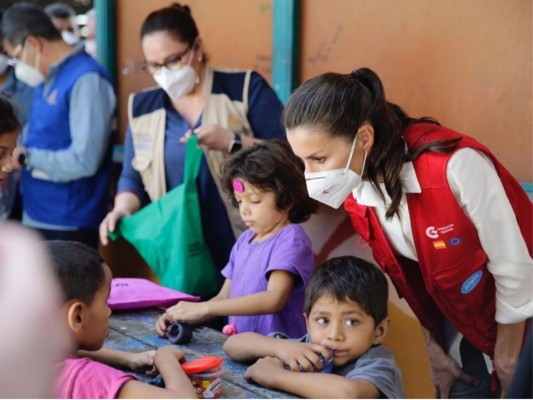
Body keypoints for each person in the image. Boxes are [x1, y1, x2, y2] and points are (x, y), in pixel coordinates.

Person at [283, 67, 533, 398]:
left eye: (319, 158)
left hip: (520, 325)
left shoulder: (455, 167)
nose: (309, 175)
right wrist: (434, 347)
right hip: (469, 330)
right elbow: (412, 279)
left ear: (364, 138)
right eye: (303, 162)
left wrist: (508, 357)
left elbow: (515, 268)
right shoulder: (359, 193)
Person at [99, 3, 285, 273]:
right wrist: (121, 210)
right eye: (153, 65)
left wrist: (234, 142)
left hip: (246, 241)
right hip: (180, 255)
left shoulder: (243, 89)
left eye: (173, 60)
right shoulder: (141, 107)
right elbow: (133, 177)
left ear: (197, 47)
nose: (164, 72)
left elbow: (288, 155)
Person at [156, 140, 317, 338]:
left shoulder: (290, 239)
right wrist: (182, 316)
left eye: (255, 200)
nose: (244, 210)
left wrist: (204, 309)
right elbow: (224, 297)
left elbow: (274, 299)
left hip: (279, 355)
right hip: (242, 353)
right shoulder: (245, 240)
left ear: (287, 198)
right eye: (239, 201)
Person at [1, 4, 116, 248]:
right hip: (37, 210)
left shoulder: (86, 79)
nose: (17, 66)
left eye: (16, 57)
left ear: (33, 44)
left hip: (68, 219)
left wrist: (27, 157)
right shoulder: (46, 77)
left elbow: (85, 159)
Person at [224, 256, 405, 398]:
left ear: (379, 331)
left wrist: (274, 376)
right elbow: (232, 345)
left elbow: (348, 394)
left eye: (351, 322)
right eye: (323, 320)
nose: (334, 335)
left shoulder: (379, 365)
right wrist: (279, 347)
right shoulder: (302, 347)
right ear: (307, 323)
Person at [46, 240, 198, 399]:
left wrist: (129, 359)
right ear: (78, 317)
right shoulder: (83, 378)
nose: (109, 311)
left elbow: (69, 349)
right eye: (106, 301)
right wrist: (166, 359)